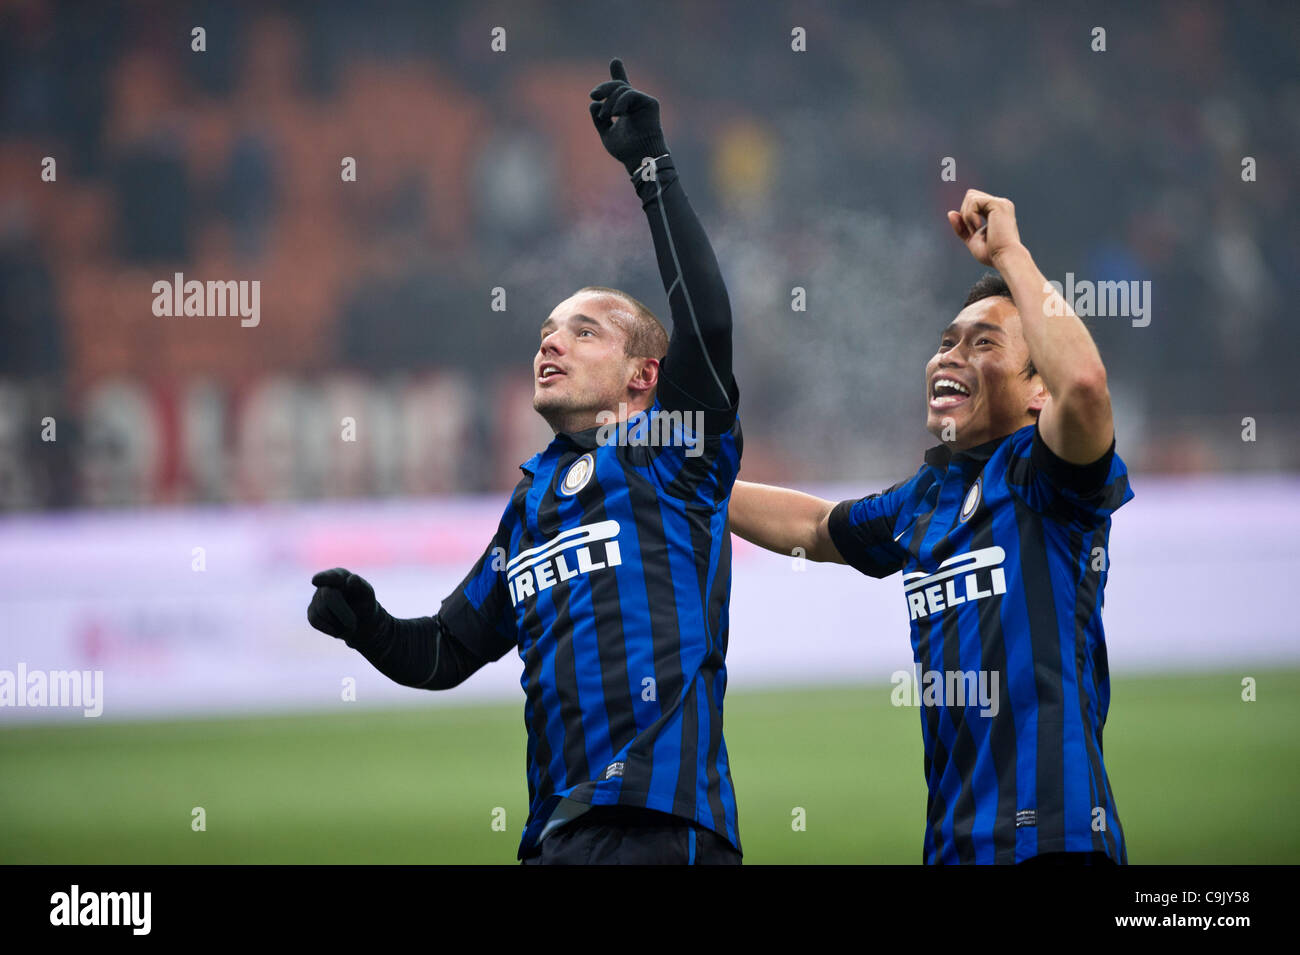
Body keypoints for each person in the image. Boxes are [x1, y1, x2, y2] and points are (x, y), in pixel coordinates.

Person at [308, 59, 743, 865]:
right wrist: (367, 627)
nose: (550, 339)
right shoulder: (534, 499)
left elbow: (707, 320)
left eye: (584, 331)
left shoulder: (675, 454)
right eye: (547, 327)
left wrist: (651, 169)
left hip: (665, 829)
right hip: (553, 838)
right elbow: (447, 648)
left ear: (645, 376)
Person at [729, 190, 1131, 864]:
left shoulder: (1048, 479)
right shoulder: (926, 498)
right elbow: (819, 527)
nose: (950, 356)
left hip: (1056, 842)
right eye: (945, 342)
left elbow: (1084, 385)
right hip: (951, 848)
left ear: (1038, 391)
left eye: (982, 343)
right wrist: (687, 486)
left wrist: (1010, 252)